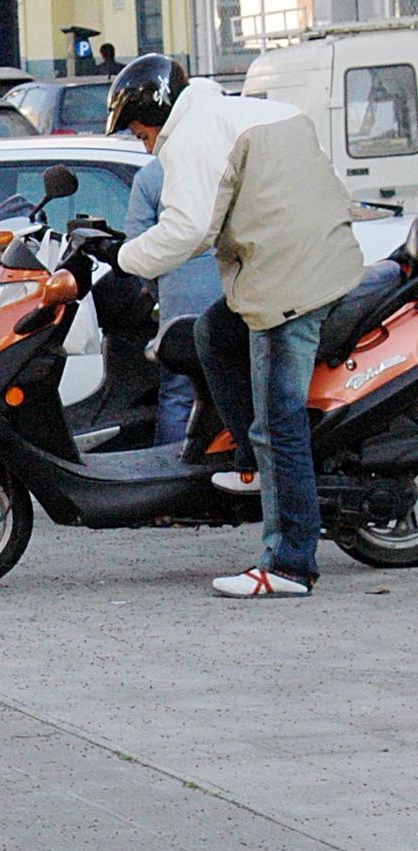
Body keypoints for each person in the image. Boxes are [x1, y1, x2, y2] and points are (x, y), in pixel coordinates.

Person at [95, 54, 366, 597]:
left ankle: (290, 564)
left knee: (279, 426)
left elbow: (188, 229)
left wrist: (123, 258)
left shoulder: (190, 137)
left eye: (139, 129)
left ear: (157, 111)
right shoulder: (248, 112)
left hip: (286, 285)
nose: (141, 141)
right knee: (212, 334)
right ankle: (252, 463)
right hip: (320, 263)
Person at [123, 156, 222, 445]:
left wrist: (158, 292)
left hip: (180, 301)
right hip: (232, 297)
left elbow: (137, 252)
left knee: (179, 393)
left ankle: (170, 472)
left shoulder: (152, 176)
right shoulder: (220, 165)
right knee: (235, 387)